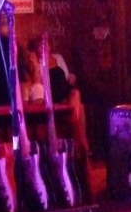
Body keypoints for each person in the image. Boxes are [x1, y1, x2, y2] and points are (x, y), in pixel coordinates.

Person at [26, 35, 93, 199]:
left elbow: (65, 81)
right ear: (35, 49)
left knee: (77, 96)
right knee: (78, 108)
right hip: (50, 100)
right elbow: (37, 88)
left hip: (63, 96)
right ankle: (82, 143)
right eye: (41, 45)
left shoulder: (56, 60)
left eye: (46, 45)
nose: (45, 47)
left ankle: (79, 136)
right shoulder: (33, 65)